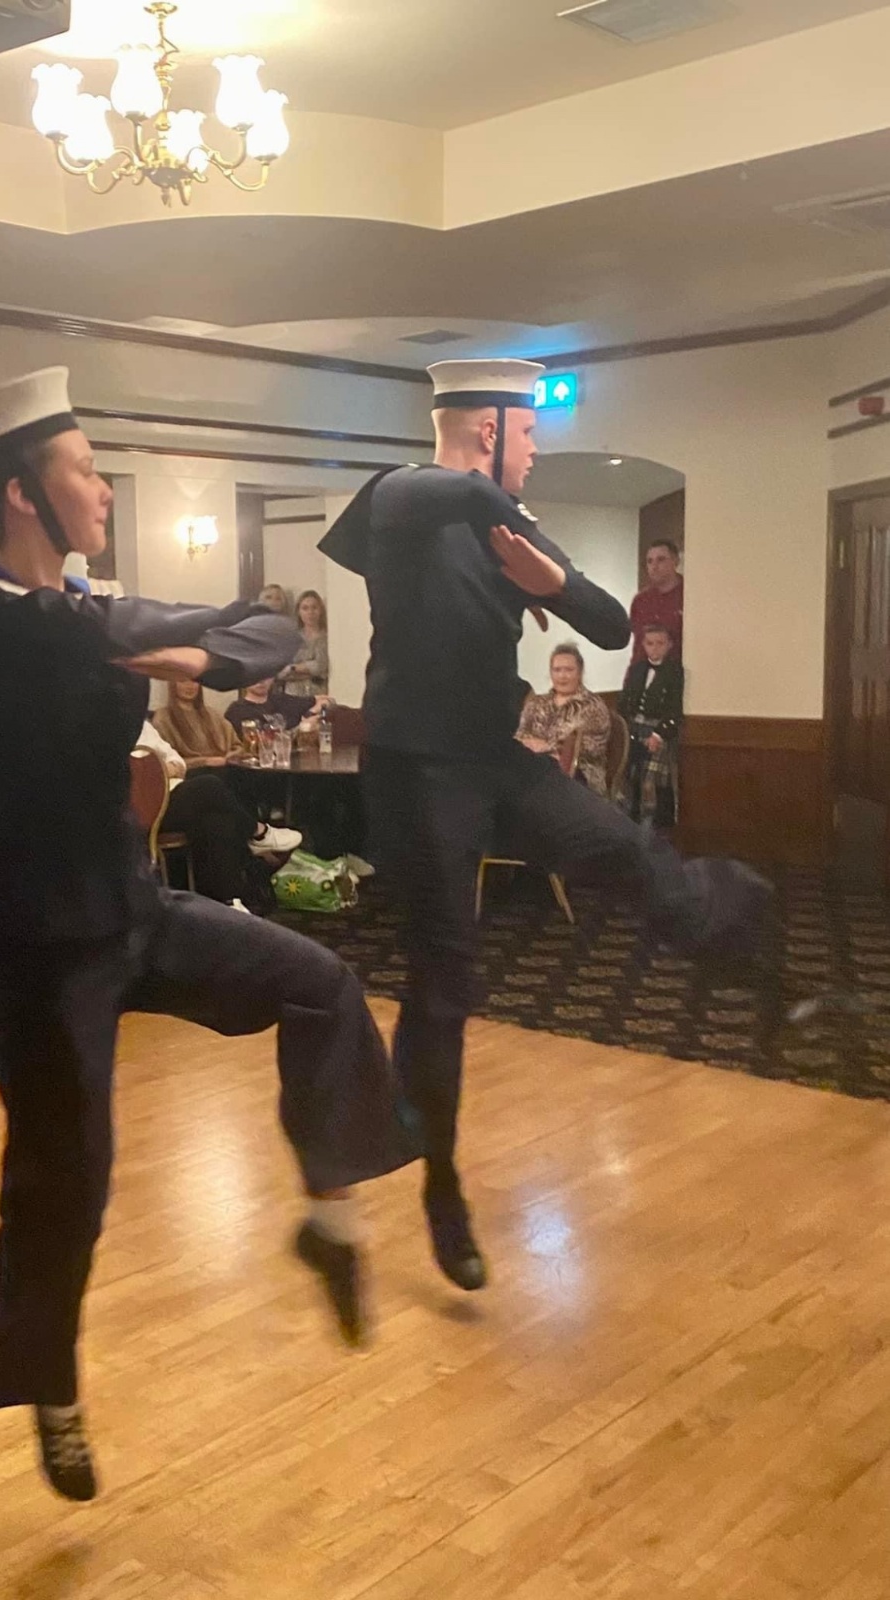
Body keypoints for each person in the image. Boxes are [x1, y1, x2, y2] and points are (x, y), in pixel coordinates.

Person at [0, 368, 415, 1503]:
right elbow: (43, 639)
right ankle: (51, 1386)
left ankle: (329, 1221)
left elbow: (265, 624)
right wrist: (146, 633)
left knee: (323, 983)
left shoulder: (92, 611)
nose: (103, 492)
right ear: (21, 493)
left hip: (137, 910)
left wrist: (184, 653)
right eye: (85, 471)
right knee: (66, 1178)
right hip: (43, 951)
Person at [320, 357, 769, 1297]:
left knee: (619, 844)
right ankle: (440, 1185)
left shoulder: (505, 526)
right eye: (526, 435)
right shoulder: (401, 499)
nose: (533, 454)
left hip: (494, 755)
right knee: (445, 984)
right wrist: (504, 513)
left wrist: (547, 573)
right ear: (487, 429)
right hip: (417, 771)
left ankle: (732, 931)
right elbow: (433, 489)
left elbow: (608, 627)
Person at [134, 717, 299, 907]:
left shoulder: (141, 725)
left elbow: (176, 760)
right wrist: (155, 772)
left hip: (171, 794)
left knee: (216, 821)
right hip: (139, 809)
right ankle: (257, 832)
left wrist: (167, 768)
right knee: (209, 786)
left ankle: (229, 902)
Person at [516, 643, 611, 795]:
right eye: (557, 670)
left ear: (580, 672)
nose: (562, 676)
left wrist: (545, 746)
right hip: (535, 769)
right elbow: (520, 735)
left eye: (569, 670)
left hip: (580, 775)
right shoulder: (537, 703)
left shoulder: (593, 706)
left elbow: (591, 749)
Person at [621, 624, 684, 827]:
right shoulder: (636, 669)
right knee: (631, 774)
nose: (654, 648)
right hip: (633, 728)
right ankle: (631, 818)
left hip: (659, 729)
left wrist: (658, 735)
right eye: (650, 643)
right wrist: (623, 730)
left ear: (669, 645)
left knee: (655, 780)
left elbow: (674, 709)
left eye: (660, 643)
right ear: (643, 644)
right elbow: (624, 702)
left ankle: (659, 823)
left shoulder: (675, 671)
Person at [628, 539, 683, 665]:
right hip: (645, 670)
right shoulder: (640, 601)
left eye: (661, 560)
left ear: (675, 561)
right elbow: (638, 645)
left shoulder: (689, 596)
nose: (654, 566)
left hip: (679, 670)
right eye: (650, 561)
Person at [225, 677, 327, 737]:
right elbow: (262, 746)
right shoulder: (236, 711)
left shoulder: (283, 700)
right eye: (255, 675)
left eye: (265, 674)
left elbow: (327, 700)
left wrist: (310, 713)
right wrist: (302, 728)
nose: (261, 680)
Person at [279, 590, 329, 697]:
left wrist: (293, 668)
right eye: (305, 608)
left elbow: (320, 666)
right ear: (299, 611)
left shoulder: (326, 638)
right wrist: (309, 671)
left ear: (321, 610)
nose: (310, 612)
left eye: (314, 607)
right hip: (292, 694)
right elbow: (280, 671)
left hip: (317, 694)